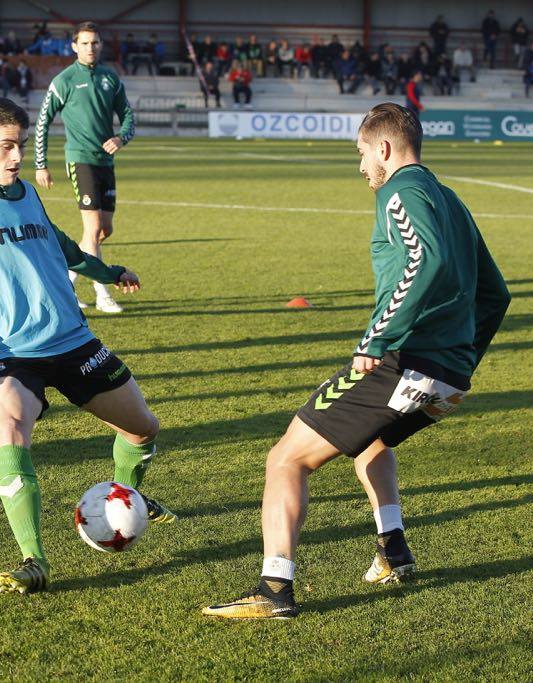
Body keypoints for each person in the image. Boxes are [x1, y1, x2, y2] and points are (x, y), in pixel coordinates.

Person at [203, 102, 510, 620]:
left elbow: (423, 260)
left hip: (402, 361)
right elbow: (495, 294)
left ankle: (275, 587)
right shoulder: (450, 199)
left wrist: (376, 338)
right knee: (371, 440)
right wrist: (460, 363)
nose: (361, 165)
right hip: (449, 377)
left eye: (363, 152)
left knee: (285, 459)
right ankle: (393, 552)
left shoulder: (399, 190)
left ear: (385, 148)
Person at [0, 96, 175, 595]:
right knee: (9, 429)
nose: (16, 157)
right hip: (9, 352)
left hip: (72, 342)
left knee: (143, 430)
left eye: (22, 146)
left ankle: (128, 495)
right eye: (6, 146)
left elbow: (64, 247)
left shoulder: (26, 192)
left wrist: (108, 272)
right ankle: (34, 559)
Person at [34, 21, 135, 314]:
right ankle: (103, 294)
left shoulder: (110, 78)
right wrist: (41, 165)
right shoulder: (63, 81)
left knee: (104, 230)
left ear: (100, 45)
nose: (90, 48)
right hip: (80, 159)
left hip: (106, 162)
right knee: (91, 230)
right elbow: (42, 122)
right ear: (74, 46)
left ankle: (64, 285)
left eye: (95, 43)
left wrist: (120, 137)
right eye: (85, 43)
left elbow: (128, 115)